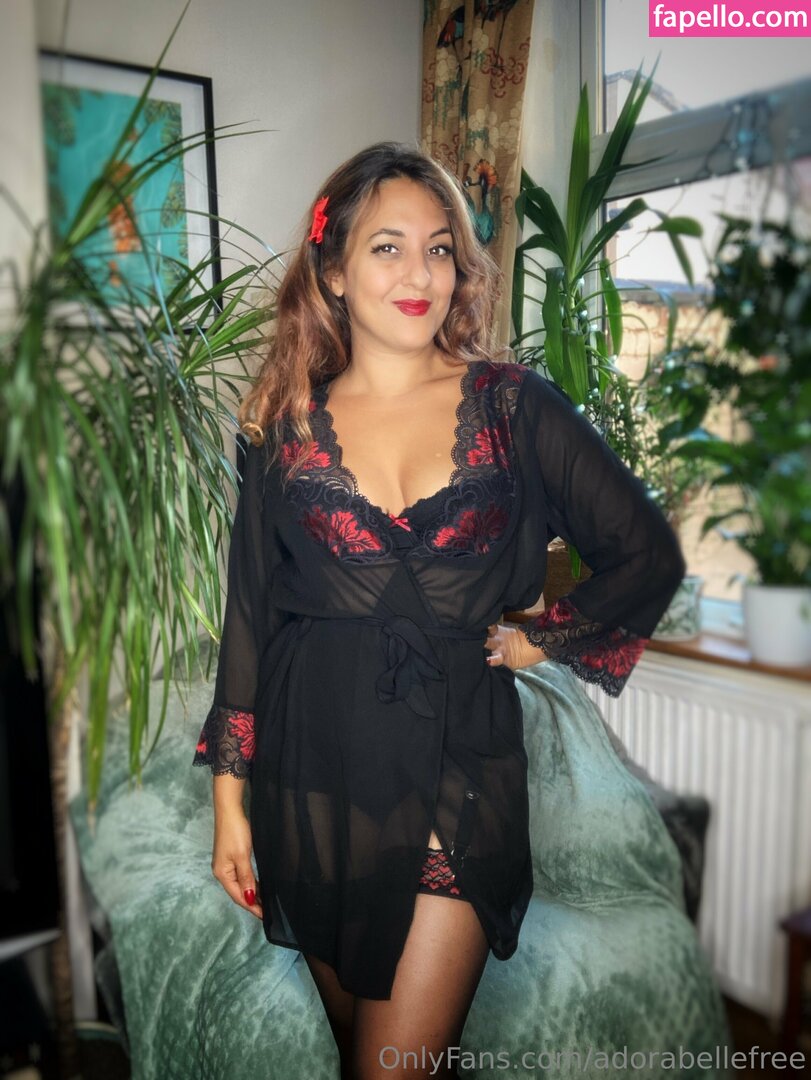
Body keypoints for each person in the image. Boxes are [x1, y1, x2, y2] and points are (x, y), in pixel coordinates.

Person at [192, 141, 686, 1079]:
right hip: (310, 768)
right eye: (387, 248)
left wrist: (543, 641)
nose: (418, 274)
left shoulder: (514, 406)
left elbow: (644, 551)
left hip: (460, 760)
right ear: (333, 272)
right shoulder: (280, 429)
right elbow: (250, 616)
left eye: (438, 249)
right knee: (364, 1053)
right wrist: (229, 805)